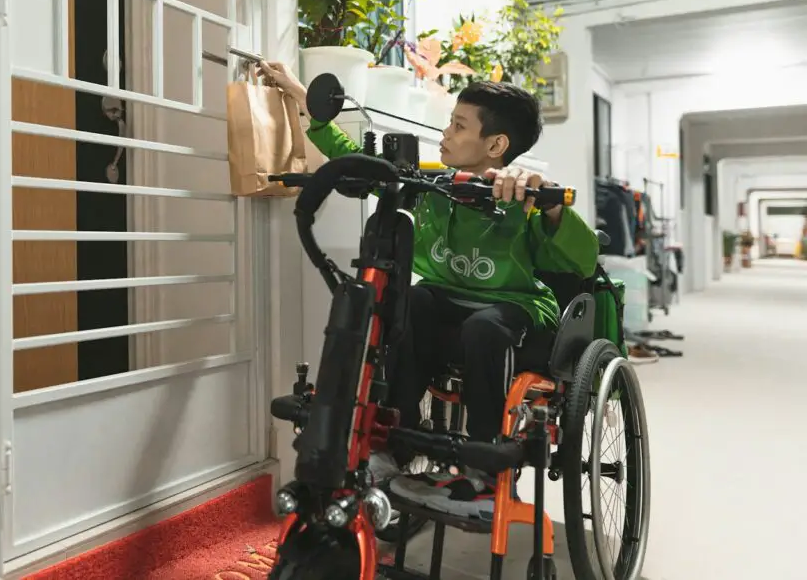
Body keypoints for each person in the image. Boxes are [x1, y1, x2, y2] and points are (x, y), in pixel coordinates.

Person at [257, 61, 600, 520]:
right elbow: (354, 158)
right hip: (445, 305)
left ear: (495, 145)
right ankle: (394, 441)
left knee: (483, 328)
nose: (445, 132)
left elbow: (582, 259)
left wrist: (550, 204)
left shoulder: (521, 198)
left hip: (514, 312)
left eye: (459, 125)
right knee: (410, 300)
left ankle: (483, 473)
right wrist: (301, 94)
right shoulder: (435, 184)